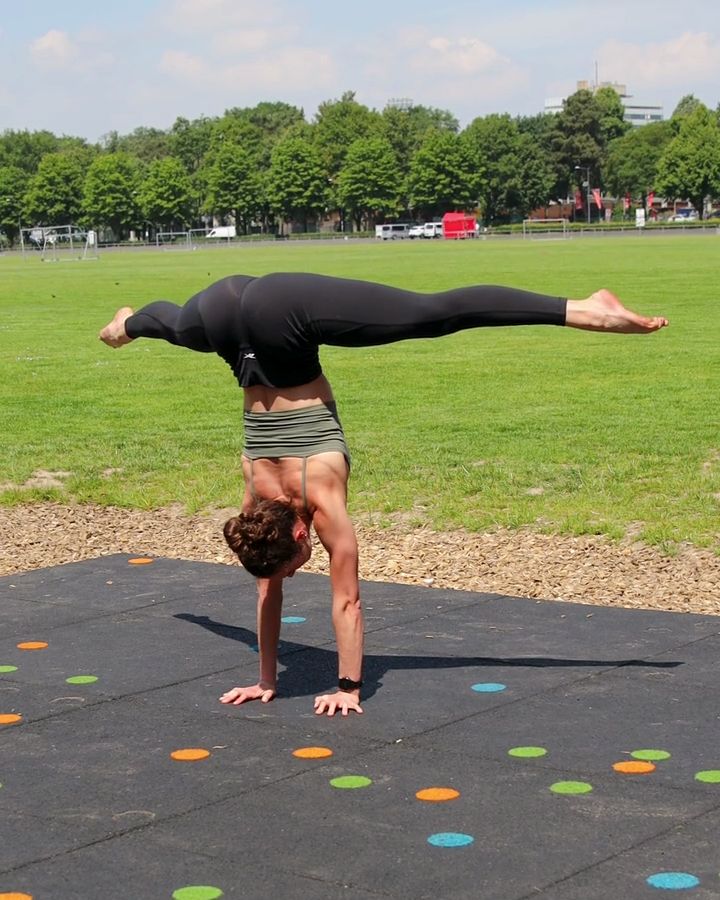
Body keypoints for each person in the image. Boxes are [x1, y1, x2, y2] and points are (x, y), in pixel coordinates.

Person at [99, 272, 668, 717]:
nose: (296, 572)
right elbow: (266, 588)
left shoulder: (320, 502)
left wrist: (348, 687)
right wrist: (265, 678)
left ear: (301, 533)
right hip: (223, 316)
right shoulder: (255, 508)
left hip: (281, 316)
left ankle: (590, 309)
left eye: (298, 562)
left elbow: (346, 601)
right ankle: (128, 323)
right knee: (172, 326)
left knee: (431, 316)